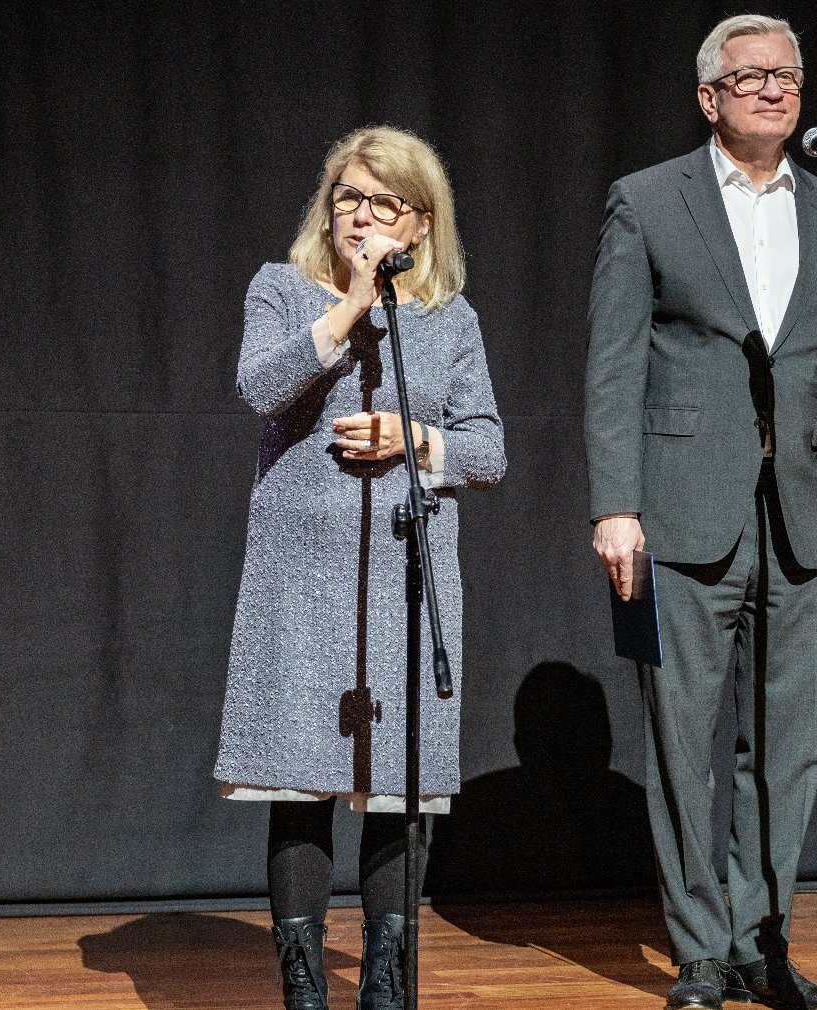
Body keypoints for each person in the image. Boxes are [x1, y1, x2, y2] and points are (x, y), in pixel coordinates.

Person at [585, 14, 817, 1010]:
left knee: (786, 742)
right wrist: (614, 504)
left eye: (788, 75)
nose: (773, 88)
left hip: (800, 512)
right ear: (708, 97)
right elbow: (614, 362)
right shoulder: (645, 202)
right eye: (750, 75)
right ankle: (699, 949)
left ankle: (764, 938)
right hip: (679, 512)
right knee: (681, 739)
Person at [212, 125, 505, 1010]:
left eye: (385, 203)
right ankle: (305, 990)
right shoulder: (281, 288)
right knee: (298, 778)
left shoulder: (449, 319)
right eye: (349, 197)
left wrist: (418, 441)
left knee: (397, 784)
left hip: (404, 570)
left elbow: (489, 450)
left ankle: (385, 986)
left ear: (420, 224)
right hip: (298, 571)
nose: (363, 216)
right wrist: (344, 310)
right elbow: (259, 386)